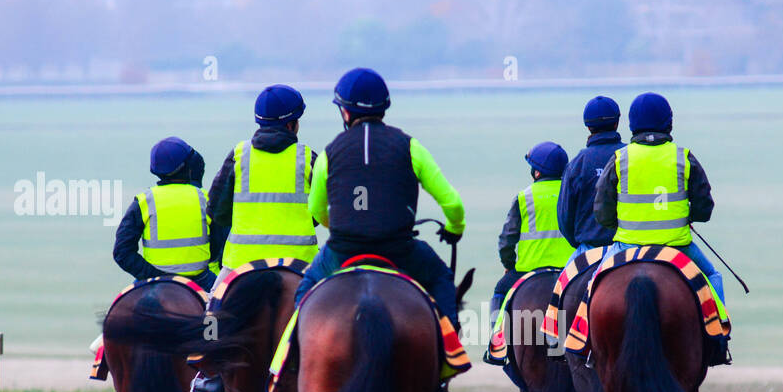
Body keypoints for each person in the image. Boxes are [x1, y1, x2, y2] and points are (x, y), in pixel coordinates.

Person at [293, 68, 465, 325]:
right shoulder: (411, 147)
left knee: (304, 290)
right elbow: (452, 203)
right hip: (399, 249)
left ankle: (290, 358)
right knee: (441, 278)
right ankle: (451, 353)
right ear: (384, 108)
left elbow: (316, 210)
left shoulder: (329, 154)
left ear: (345, 111)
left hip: (343, 251)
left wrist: (342, 225)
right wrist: (454, 228)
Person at [594, 92, 730, 365]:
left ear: (632, 125)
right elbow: (705, 208)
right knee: (713, 277)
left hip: (626, 247)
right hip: (678, 247)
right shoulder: (684, 158)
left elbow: (602, 211)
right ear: (669, 123)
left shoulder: (620, 159)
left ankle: (583, 345)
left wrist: (619, 224)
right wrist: (686, 216)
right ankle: (719, 338)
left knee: (591, 288)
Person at [206, 84, 319, 270]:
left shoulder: (239, 156)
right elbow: (320, 211)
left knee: (214, 299)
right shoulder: (307, 159)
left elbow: (217, 210)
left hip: (242, 263)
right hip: (300, 263)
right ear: (291, 124)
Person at [113, 136, 217, 290]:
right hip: (200, 281)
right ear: (187, 166)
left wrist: (153, 275)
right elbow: (218, 244)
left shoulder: (143, 202)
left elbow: (122, 252)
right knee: (231, 306)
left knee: (119, 310)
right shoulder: (205, 198)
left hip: (156, 283)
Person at [489, 141, 574, 322]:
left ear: (537, 172)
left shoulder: (524, 197)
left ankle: (496, 345)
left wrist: (510, 265)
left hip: (529, 270)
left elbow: (506, 241)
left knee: (500, 290)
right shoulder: (573, 194)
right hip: (571, 269)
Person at [558, 95, 625, 260]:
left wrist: (579, 244)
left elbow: (565, 218)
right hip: (631, 246)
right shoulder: (632, 156)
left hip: (590, 249)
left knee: (560, 286)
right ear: (616, 123)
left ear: (588, 127)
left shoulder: (577, 163)